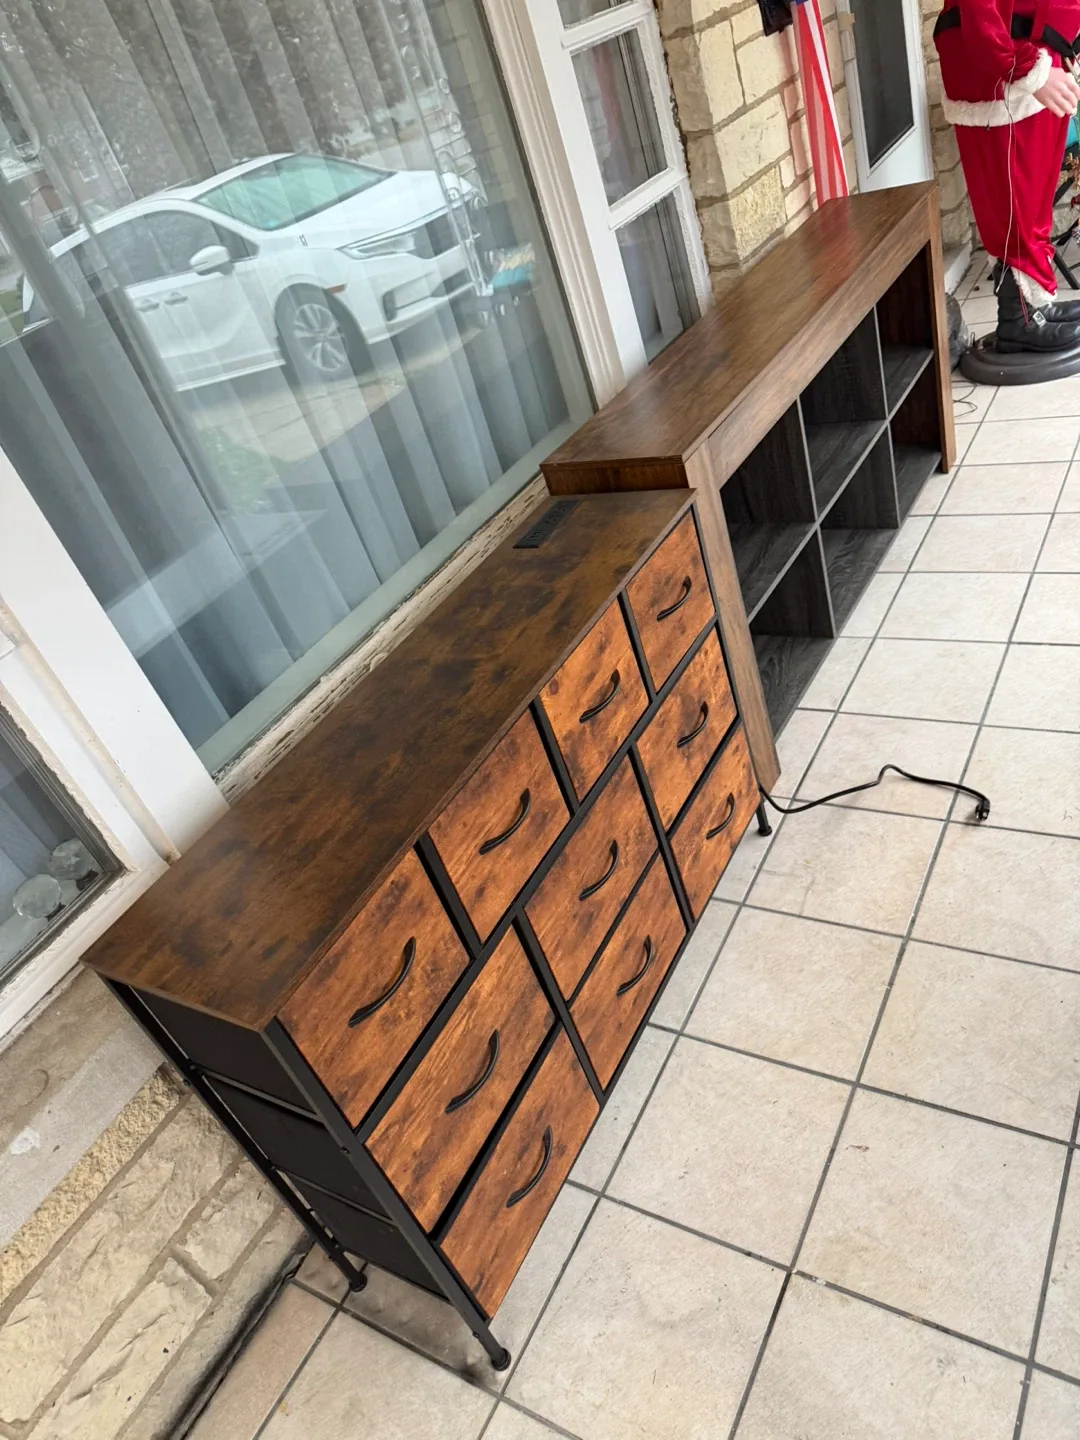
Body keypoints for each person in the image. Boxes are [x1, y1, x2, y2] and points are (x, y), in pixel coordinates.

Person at [935, 0, 1080, 350]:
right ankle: (1019, 321)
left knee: (1035, 204)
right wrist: (1030, 69)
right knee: (1014, 203)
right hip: (1003, 74)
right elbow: (979, 15)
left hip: (1039, 63)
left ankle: (1036, 302)